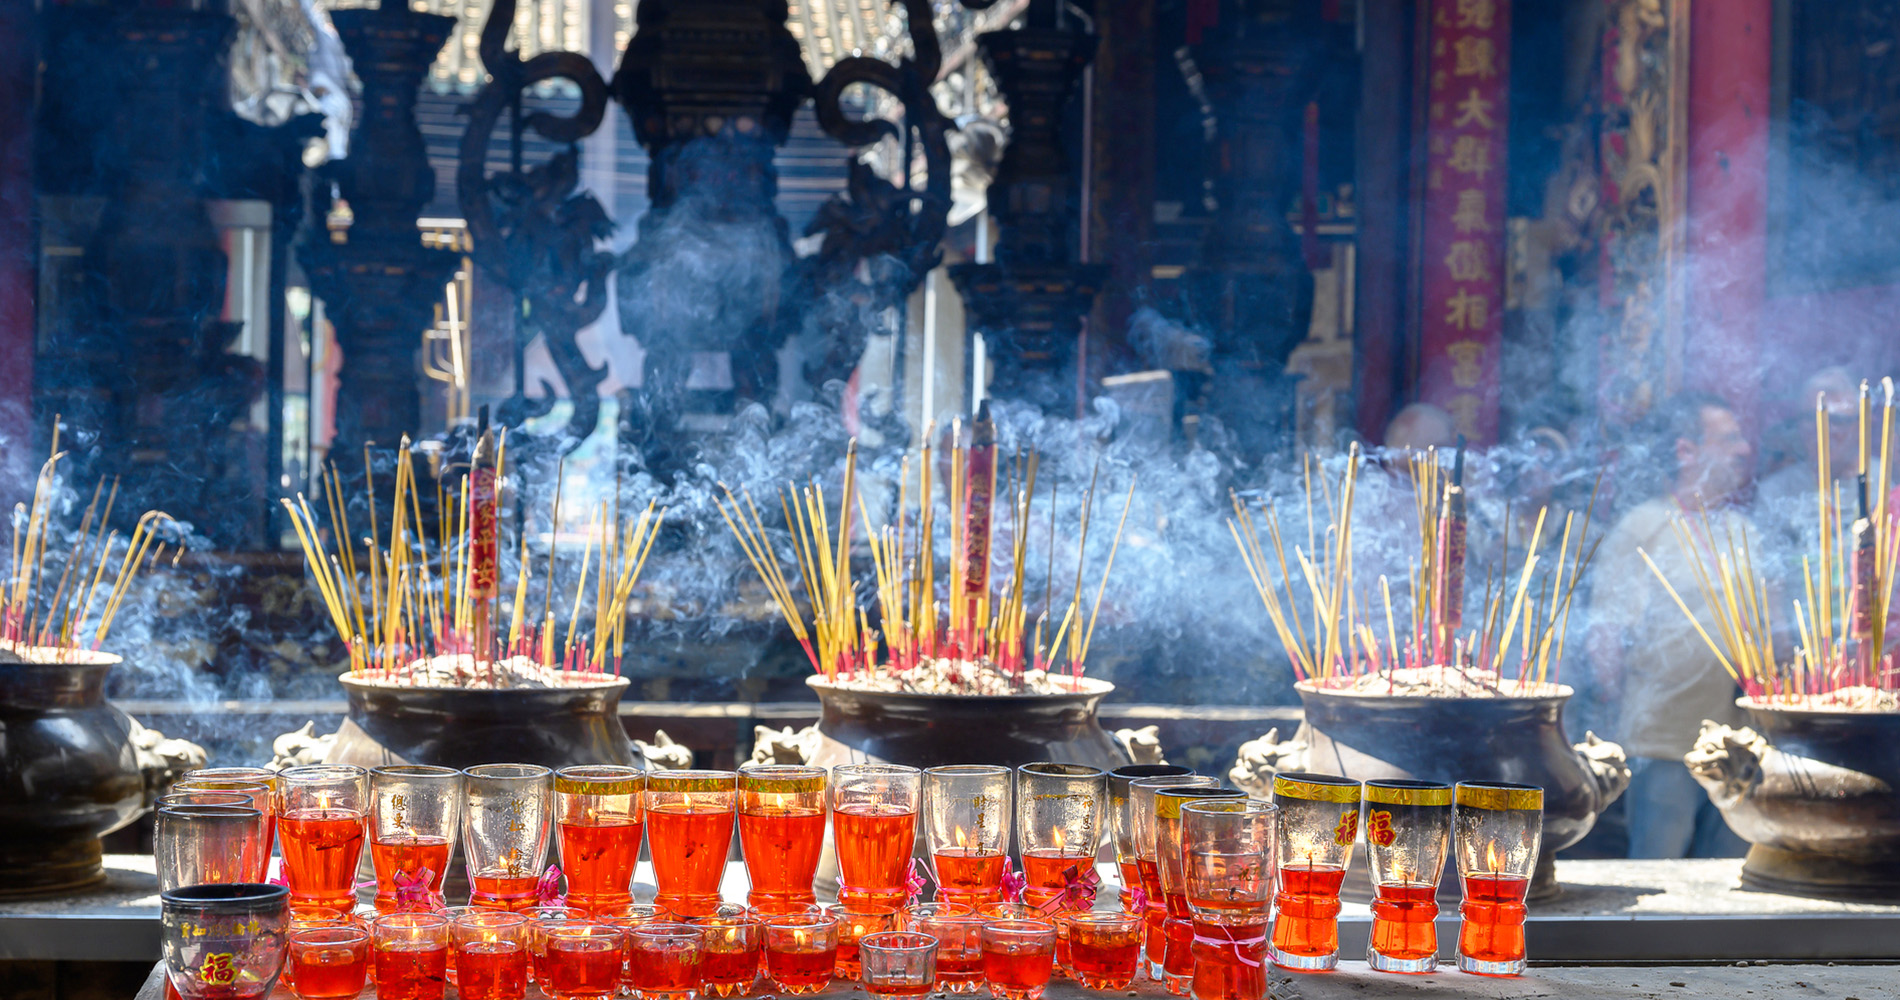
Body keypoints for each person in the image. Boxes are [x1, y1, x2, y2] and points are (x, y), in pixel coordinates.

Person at [1584, 393, 1754, 859]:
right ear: (1687, 451)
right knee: (1660, 872)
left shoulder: (1744, 530)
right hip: (1663, 740)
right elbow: (1606, 633)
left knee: (1733, 881)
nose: (1743, 449)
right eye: (1729, 438)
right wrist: (1614, 717)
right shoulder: (1643, 527)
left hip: (1742, 746)